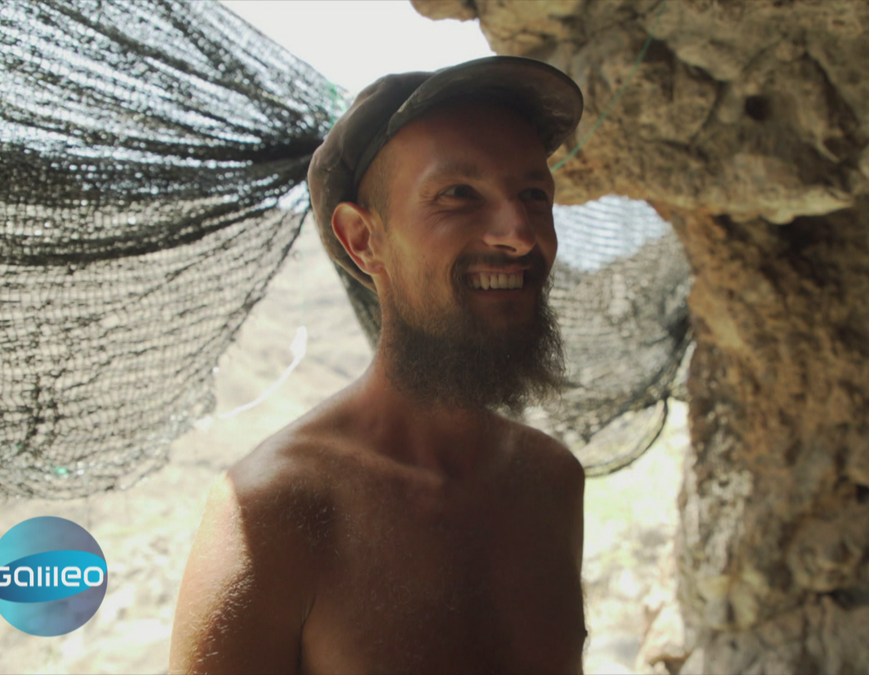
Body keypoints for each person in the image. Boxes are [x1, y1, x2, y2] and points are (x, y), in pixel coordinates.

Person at [169, 56, 587, 674]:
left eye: (534, 194)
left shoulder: (552, 480)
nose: (520, 234)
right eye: (458, 195)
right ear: (363, 240)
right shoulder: (275, 513)